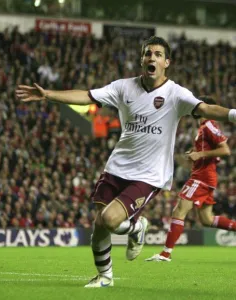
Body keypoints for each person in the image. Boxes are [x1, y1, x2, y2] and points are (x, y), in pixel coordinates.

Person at [16, 36, 236, 288]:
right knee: (100, 224)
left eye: (157, 54)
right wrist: (48, 95)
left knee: (109, 220)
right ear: (142, 60)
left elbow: (207, 109)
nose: (151, 57)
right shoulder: (123, 87)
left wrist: (233, 114)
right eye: (147, 54)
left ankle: (132, 231)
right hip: (117, 166)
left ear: (166, 62)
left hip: (149, 174)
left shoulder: (176, 94)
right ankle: (107, 273)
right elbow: (87, 96)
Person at [146, 96, 236, 262]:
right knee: (206, 219)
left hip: (201, 177)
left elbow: (225, 150)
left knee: (179, 211)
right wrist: (195, 154)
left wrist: (200, 154)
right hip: (206, 176)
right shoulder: (203, 127)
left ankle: (165, 253)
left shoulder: (209, 124)